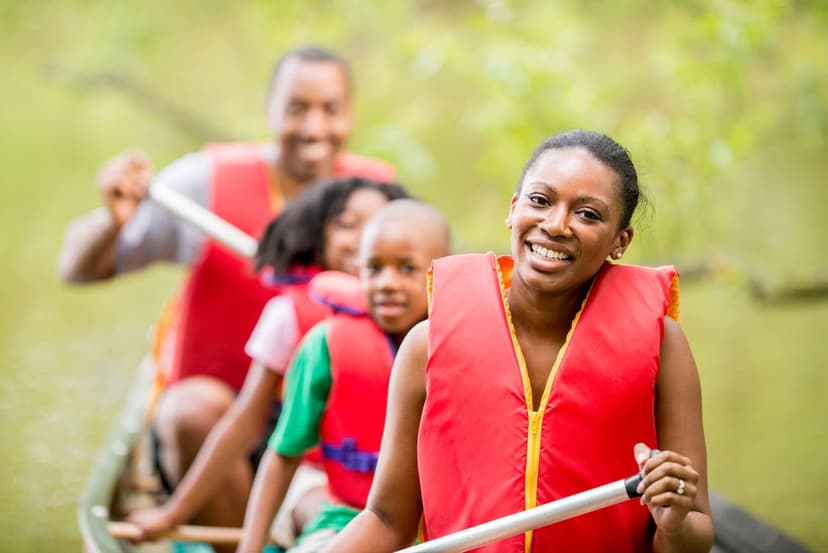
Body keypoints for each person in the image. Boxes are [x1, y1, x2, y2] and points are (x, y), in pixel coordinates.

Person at [56, 45, 396, 532]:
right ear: (269, 110)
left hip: (334, 436)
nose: (315, 128)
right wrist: (112, 223)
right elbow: (77, 268)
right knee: (189, 411)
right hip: (227, 420)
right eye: (297, 109)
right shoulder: (203, 182)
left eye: (330, 110)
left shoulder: (378, 196)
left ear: (351, 116)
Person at [325, 130, 714, 553]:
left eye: (587, 214)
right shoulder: (426, 343)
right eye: (540, 201)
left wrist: (672, 524)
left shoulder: (662, 344)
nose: (556, 225)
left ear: (621, 241)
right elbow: (385, 519)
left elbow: (694, 533)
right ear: (513, 209)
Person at [124, 177, 409, 549]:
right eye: (347, 224)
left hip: (395, 479)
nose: (362, 238)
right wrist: (173, 514)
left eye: (377, 225)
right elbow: (244, 422)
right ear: (318, 233)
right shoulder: (289, 315)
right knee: (328, 512)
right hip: (315, 477)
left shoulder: (423, 316)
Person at [236, 200, 452, 553]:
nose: (387, 283)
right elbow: (284, 454)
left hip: (437, 533)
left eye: (407, 269)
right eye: (374, 268)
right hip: (343, 521)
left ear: (438, 274)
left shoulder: (461, 350)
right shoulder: (325, 345)